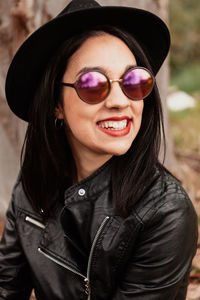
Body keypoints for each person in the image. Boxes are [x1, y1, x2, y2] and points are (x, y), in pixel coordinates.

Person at [0, 0, 198, 299]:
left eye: (134, 81)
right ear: (56, 104)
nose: (120, 101)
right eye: (93, 83)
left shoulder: (165, 212)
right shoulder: (32, 185)